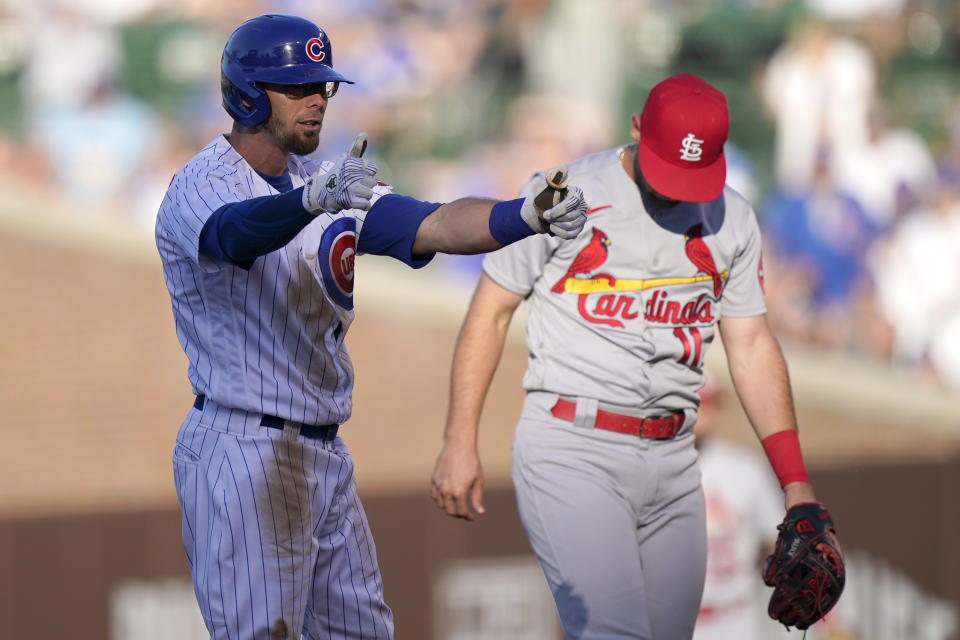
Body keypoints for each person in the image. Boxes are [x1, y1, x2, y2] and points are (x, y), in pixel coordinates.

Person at [155, 14, 587, 640]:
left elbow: (431, 223)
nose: (315, 101)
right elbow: (233, 234)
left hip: (323, 448)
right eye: (296, 87)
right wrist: (310, 202)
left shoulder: (323, 179)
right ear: (247, 94)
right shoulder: (202, 182)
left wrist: (524, 213)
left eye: (321, 86)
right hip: (243, 443)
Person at [430, 73, 837, 639]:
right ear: (636, 128)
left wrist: (795, 481)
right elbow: (490, 311)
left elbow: (751, 344)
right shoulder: (563, 192)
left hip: (675, 457)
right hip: (572, 444)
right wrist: (458, 437)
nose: (676, 188)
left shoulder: (732, 217)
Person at [691, 377, 790, 640]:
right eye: (697, 405)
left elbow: (780, 541)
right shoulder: (649, 469)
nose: (702, 415)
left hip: (734, 619)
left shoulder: (744, 468)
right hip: (671, 621)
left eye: (707, 405)